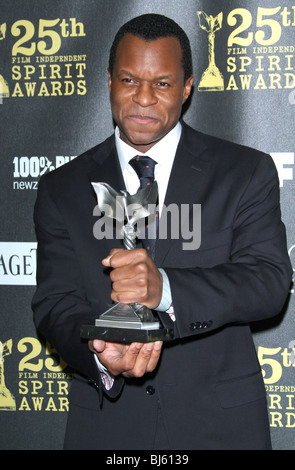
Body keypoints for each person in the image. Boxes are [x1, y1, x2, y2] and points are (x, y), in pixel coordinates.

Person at [32, 14, 292, 450]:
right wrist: (100, 350)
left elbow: (267, 281)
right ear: (109, 81)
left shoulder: (243, 172)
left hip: (220, 428)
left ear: (188, 87)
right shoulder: (63, 187)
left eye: (163, 84)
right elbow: (54, 303)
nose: (144, 99)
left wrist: (166, 289)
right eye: (130, 80)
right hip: (107, 428)